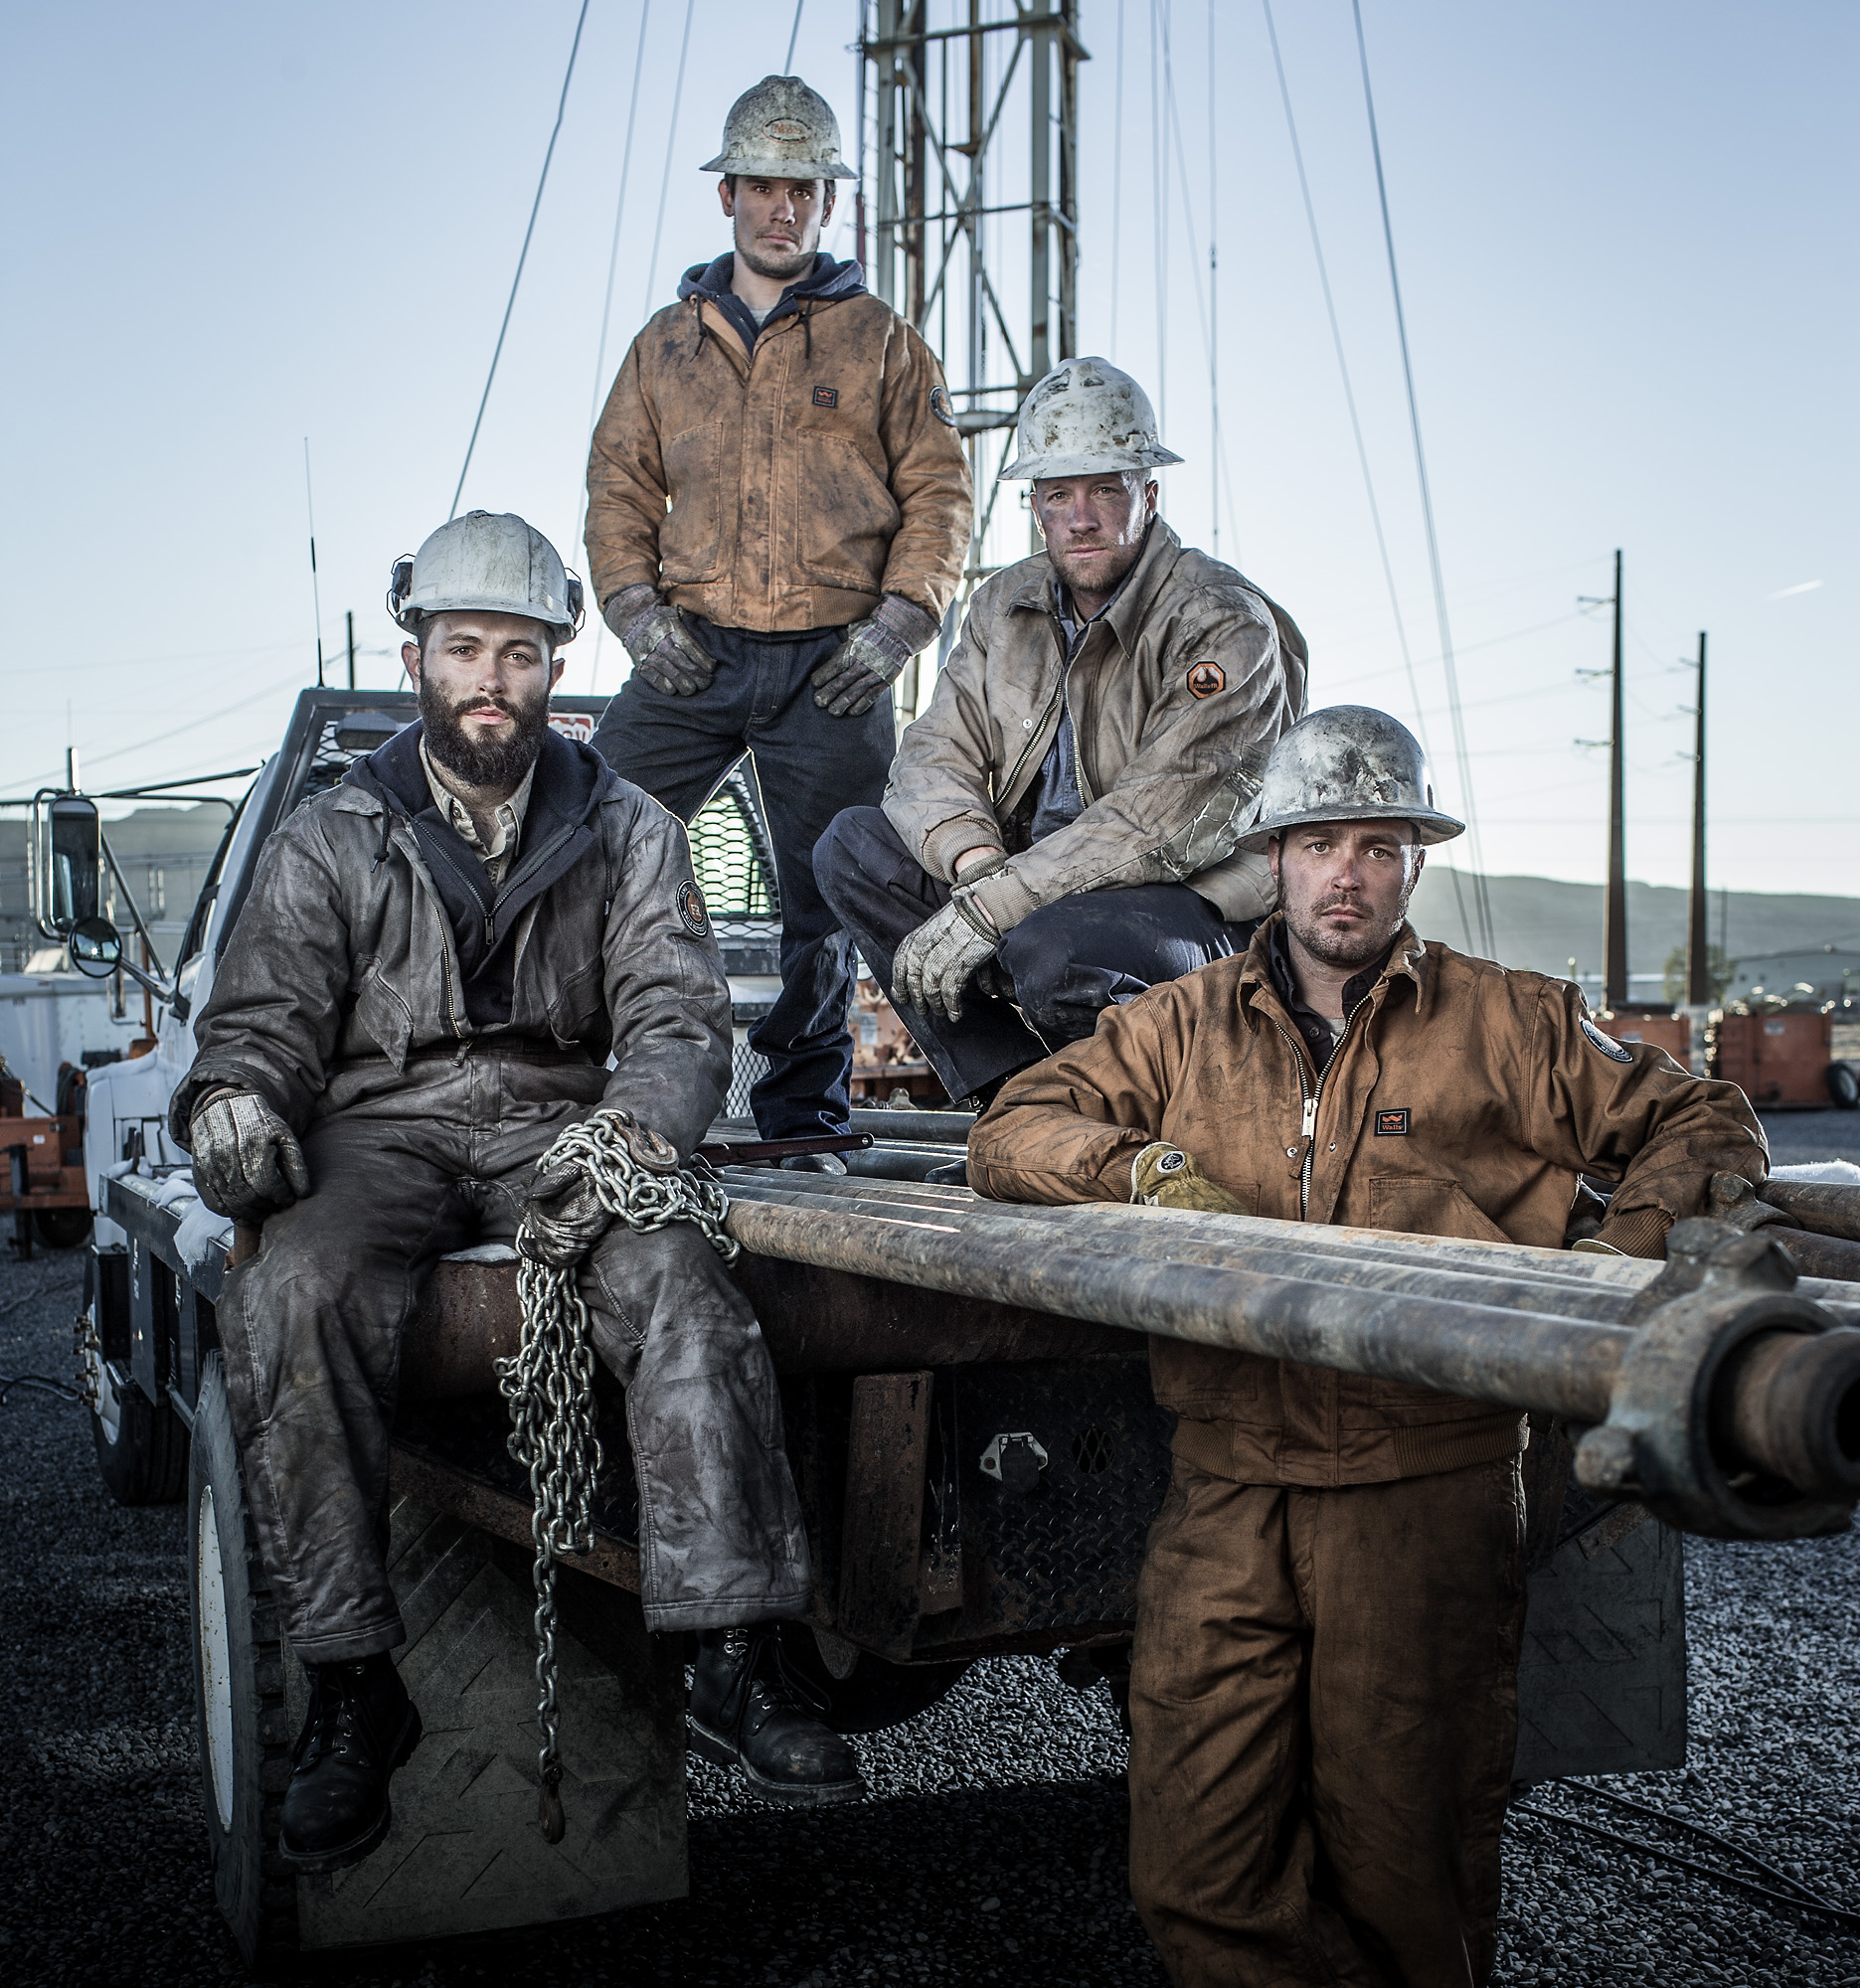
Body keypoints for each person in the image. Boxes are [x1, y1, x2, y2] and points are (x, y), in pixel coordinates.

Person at [965, 705, 1767, 1988]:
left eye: (1378, 845)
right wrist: (1139, 1166)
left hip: (1423, 1493)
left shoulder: (1512, 1024)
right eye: (1319, 841)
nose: (1347, 872)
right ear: (1270, 859)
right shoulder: (1180, 1027)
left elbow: (1707, 1123)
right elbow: (1010, 1129)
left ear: (1413, 864)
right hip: (1226, 1485)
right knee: (1196, 1867)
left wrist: (1613, 1265)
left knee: (1405, 1864)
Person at [171, 511, 865, 1877]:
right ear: (417, 654)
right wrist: (237, 1102)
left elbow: (676, 1022)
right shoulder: (332, 835)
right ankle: (354, 1683)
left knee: (682, 1285)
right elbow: (261, 1023)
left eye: (521, 653)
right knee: (296, 1291)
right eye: (464, 648)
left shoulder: (628, 825)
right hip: (381, 1131)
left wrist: (624, 1139)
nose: (492, 679)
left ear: (557, 662)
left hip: (566, 1120)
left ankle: (732, 1650)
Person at [584, 73, 972, 1164]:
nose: (784, 207)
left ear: (826, 201)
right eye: (764, 185)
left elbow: (940, 490)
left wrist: (901, 620)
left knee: (822, 899)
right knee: (588, 837)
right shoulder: (666, 346)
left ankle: (802, 1116)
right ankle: (590, 1076)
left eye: (804, 187)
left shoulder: (882, 342)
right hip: (690, 650)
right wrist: (630, 608)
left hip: (835, 661)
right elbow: (617, 485)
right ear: (728, 196)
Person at [813, 357, 1306, 1117]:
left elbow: (1159, 824)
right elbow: (931, 753)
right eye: (1058, 494)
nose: (1081, 516)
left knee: (1054, 949)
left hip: (1179, 907)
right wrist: (975, 865)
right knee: (852, 847)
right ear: (1034, 505)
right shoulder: (1003, 606)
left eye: (1105, 490)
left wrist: (993, 908)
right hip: (1016, 889)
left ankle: (1127, 1113)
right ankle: (1011, 1101)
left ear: (1147, 493)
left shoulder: (1219, 620)